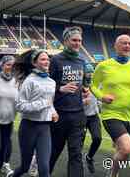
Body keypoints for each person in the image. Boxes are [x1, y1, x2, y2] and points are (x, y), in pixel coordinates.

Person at [90, 34, 130, 177]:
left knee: (126, 149)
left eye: (129, 43)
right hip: (111, 114)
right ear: (115, 46)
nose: (127, 46)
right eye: (123, 43)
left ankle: (113, 170)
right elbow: (92, 85)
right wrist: (101, 96)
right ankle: (113, 174)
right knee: (126, 149)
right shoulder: (104, 66)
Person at [49, 26, 88, 177]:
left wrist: (86, 90)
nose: (77, 43)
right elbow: (46, 87)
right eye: (74, 40)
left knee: (76, 154)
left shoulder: (81, 61)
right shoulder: (56, 60)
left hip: (78, 115)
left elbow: (83, 83)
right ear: (66, 41)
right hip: (59, 116)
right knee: (54, 151)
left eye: (80, 40)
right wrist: (61, 88)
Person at [13, 49, 58, 177]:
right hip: (28, 127)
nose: (47, 62)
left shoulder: (51, 82)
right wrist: (43, 104)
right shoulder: (29, 81)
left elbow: (50, 103)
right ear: (34, 63)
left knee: (44, 168)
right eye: (43, 59)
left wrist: (53, 112)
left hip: (45, 128)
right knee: (25, 167)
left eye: (48, 59)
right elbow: (20, 106)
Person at [82, 63, 102, 174]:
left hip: (94, 117)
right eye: (88, 72)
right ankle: (76, 162)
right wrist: (83, 102)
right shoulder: (78, 85)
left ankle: (89, 157)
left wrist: (100, 105)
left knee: (97, 138)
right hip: (81, 117)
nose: (90, 74)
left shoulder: (96, 84)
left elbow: (99, 98)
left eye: (91, 72)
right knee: (79, 142)